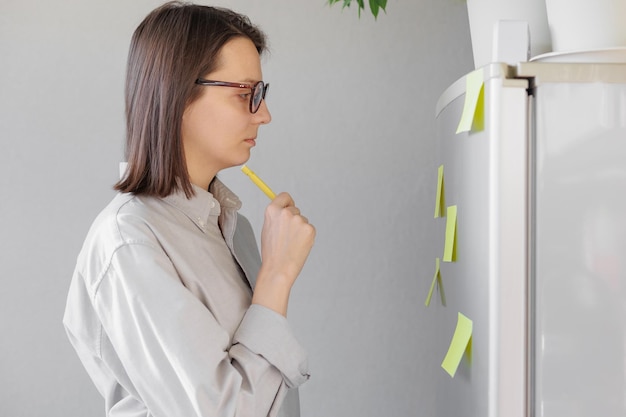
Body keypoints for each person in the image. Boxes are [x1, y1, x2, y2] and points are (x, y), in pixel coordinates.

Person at [62, 2, 316, 416]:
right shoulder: (129, 242)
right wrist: (277, 275)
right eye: (245, 94)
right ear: (178, 93)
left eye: (262, 94)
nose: (264, 114)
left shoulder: (237, 229)